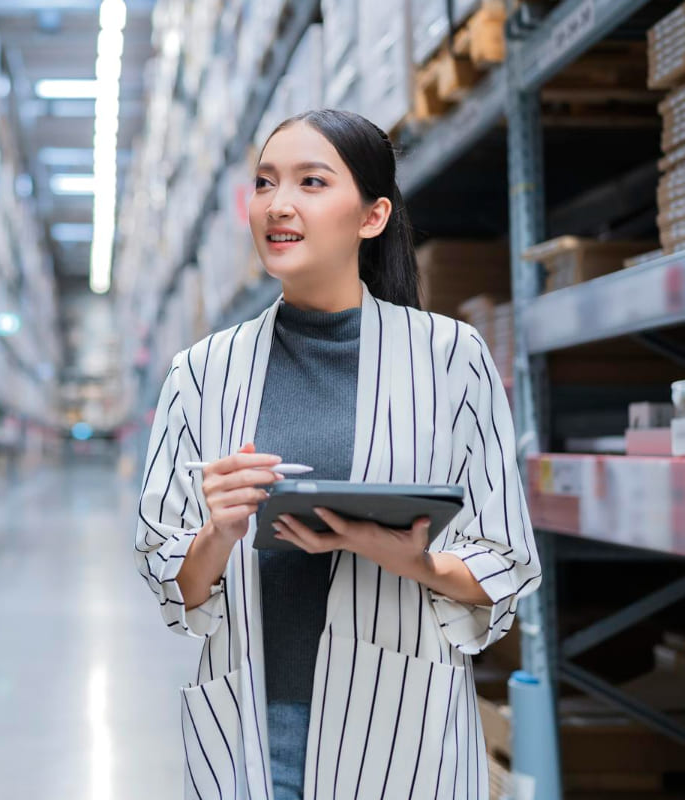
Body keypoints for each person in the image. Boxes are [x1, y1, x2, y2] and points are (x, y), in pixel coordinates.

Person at [134, 109, 542, 800]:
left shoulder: (450, 360)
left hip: (403, 732)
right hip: (255, 731)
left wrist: (413, 561)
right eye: (264, 183)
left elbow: (505, 560)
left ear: (372, 216)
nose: (278, 204)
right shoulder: (200, 373)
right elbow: (175, 582)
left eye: (311, 182)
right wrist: (218, 532)